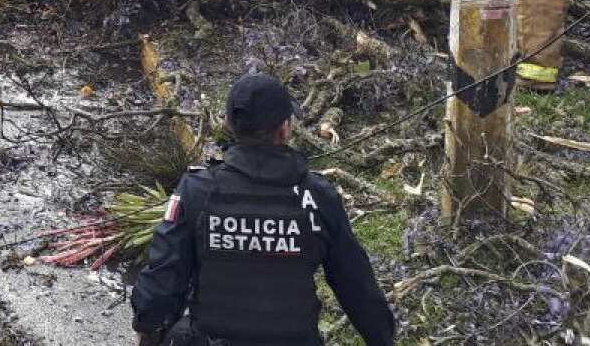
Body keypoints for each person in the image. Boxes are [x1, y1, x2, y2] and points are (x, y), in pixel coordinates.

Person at [130, 73, 395, 346]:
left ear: (230, 125)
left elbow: (162, 280)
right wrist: (383, 339)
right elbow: (357, 287)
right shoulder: (318, 197)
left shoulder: (196, 191)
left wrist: (147, 329)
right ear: (284, 129)